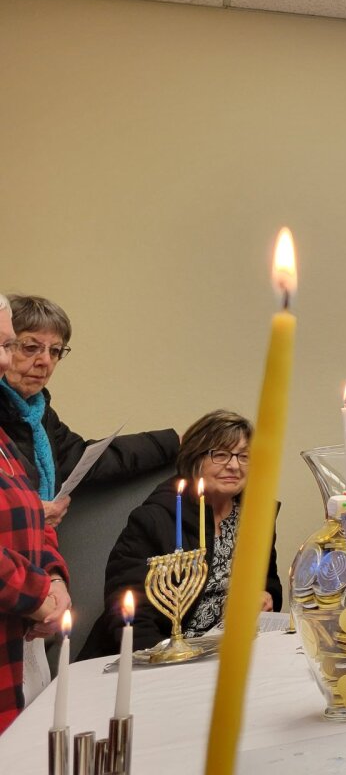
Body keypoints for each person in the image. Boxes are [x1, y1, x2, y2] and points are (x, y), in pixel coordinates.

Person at [82, 411, 281, 656]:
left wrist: (264, 596)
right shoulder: (155, 518)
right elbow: (128, 613)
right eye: (220, 455)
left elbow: (269, 582)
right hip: (158, 657)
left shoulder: (256, 517)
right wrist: (167, 661)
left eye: (244, 456)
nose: (233, 465)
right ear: (194, 460)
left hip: (227, 653)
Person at [0, 295, 179, 527]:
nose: (45, 360)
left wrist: (176, 441)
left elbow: (86, 460)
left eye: (55, 351)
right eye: (31, 347)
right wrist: (31, 514)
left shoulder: (39, 412)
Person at [0, 294, 71, 734]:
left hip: (15, 639)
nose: (40, 362)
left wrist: (56, 578)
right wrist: (38, 591)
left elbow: (31, 517)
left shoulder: (27, 427)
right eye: (19, 346)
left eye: (7, 346)